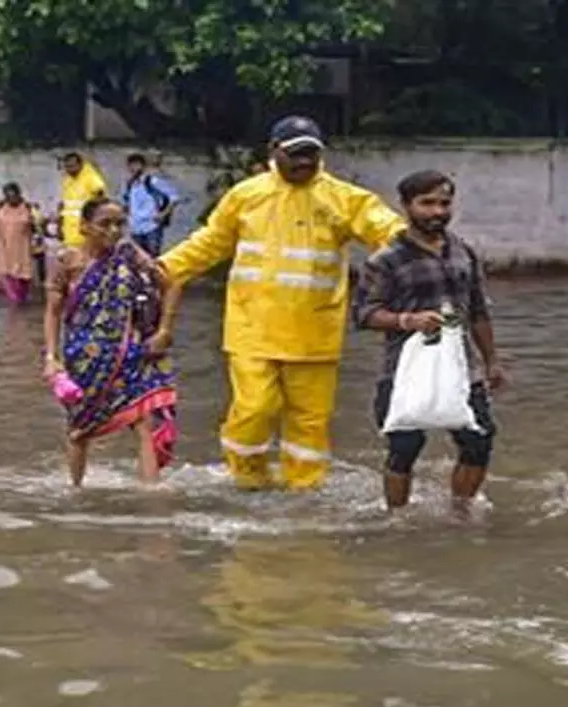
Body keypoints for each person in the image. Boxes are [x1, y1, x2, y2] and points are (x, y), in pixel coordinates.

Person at [153, 116, 404, 492]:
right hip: (252, 328)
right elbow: (210, 242)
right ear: (273, 152)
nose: (304, 162)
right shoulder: (246, 196)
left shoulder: (346, 199)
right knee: (255, 409)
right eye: (295, 154)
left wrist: (418, 252)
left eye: (311, 155)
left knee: (310, 420)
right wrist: (165, 268)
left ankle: (305, 490)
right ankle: (246, 477)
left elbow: (387, 230)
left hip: (315, 332)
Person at [355, 170, 507, 516]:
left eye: (444, 203)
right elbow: (364, 314)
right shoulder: (386, 259)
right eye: (427, 203)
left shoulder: (463, 251)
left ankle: (461, 511)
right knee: (404, 446)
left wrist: (492, 362)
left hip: (460, 366)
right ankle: (397, 518)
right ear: (407, 206)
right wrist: (407, 320)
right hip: (406, 368)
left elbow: (479, 311)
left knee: (479, 440)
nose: (437, 211)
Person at [43, 194, 178, 487]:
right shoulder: (67, 262)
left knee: (143, 422)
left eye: (120, 224)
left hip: (130, 353)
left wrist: (164, 331)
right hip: (84, 359)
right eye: (105, 224)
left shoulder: (130, 255)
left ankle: (152, 496)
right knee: (79, 430)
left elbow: (170, 284)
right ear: (84, 227)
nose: (114, 231)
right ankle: (75, 491)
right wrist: (51, 359)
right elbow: (53, 313)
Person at [124, 152, 182, 256]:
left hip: (151, 227)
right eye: (131, 165)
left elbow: (174, 197)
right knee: (136, 259)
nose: (133, 168)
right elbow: (128, 204)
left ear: (143, 166)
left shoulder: (152, 182)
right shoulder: (130, 184)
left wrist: (163, 214)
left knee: (153, 258)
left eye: (136, 165)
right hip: (135, 228)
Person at [0, 183, 39, 306]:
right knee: (7, 275)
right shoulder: (1, 208)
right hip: (5, 247)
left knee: (23, 277)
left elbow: (37, 226)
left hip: (23, 247)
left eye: (14, 195)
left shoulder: (28, 207)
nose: (11, 198)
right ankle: (15, 302)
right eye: (8, 196)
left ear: (19, 194)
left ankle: (22, 299)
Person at [58, 151, 108, 250]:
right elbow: (66, 205)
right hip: (69, 230)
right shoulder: (68, 180)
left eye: (72, 166)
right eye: (67, 167)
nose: (69, 170)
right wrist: (60, 225)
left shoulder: (90, 177)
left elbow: (102, 198)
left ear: (80, 164)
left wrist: (91, 219)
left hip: (85, 232)